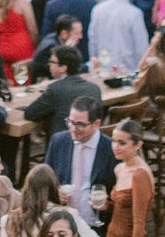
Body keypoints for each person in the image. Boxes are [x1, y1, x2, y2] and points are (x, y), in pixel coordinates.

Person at [44, 96, 116, 226]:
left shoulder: (111, 149)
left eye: (80, 124)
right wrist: (55, 193)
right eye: (71, 122)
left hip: (98, 224)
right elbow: (45, 180)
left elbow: (122, 200)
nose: (73, 128)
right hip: (63, 223)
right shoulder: (59, 141)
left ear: (96, 124)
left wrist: (108, 205)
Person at [22, 44, 100, 138]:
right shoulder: (94, 88)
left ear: (63, 68)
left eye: (52, 62)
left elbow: (29, 113)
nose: (49, 64)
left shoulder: (55, 89)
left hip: (63, 145)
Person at [105, 119, 153, 237]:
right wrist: (106, 206)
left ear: (137, 145)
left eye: (122, 143)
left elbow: (139, 223)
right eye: (113, 141)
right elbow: (123, 207)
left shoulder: (139, 175)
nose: (115, 147)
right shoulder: (119, 168)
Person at [30, 10, 83, 80]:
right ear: (64, 34)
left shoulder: (58, 39)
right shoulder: (51, 47)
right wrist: (67, 50)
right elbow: (66, 70)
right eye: (77, 33)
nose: (80, 37)